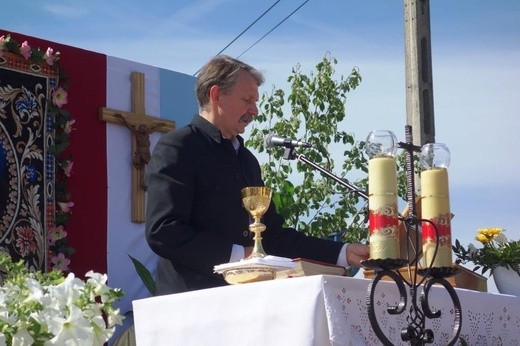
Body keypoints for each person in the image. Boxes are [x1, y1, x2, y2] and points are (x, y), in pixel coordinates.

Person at [145, 55, 369, 293]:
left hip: (246, 300)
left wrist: (343, 252)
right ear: (216, 95)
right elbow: (164, 231)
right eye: (247, 100)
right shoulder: (178, 147)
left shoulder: (247, 160)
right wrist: (241, 256)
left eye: (256, 101)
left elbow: (272, 236)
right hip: (192, 302)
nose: (255, 111)